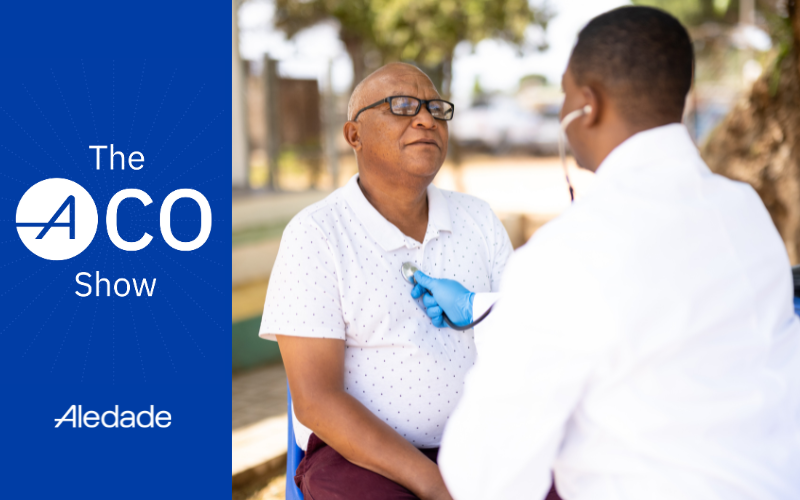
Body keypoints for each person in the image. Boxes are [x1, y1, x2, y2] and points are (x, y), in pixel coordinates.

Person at [414, 7, 800, 499]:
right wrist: (480, 307)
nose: (559, 111)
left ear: (587, 105)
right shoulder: (745, 212)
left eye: (563, 93)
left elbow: (482, 479)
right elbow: (662, 322)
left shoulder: (564, 254)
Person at [259, 62, 513, 500]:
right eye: (401, 105)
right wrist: (435, 485)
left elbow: (527, 342)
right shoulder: (317, 234)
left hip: (479, 444)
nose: (425, 119)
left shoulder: (478, 220)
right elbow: (317, 401)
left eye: (435, 107)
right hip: (359, 458)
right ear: (353, 136)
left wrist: (482, 308)